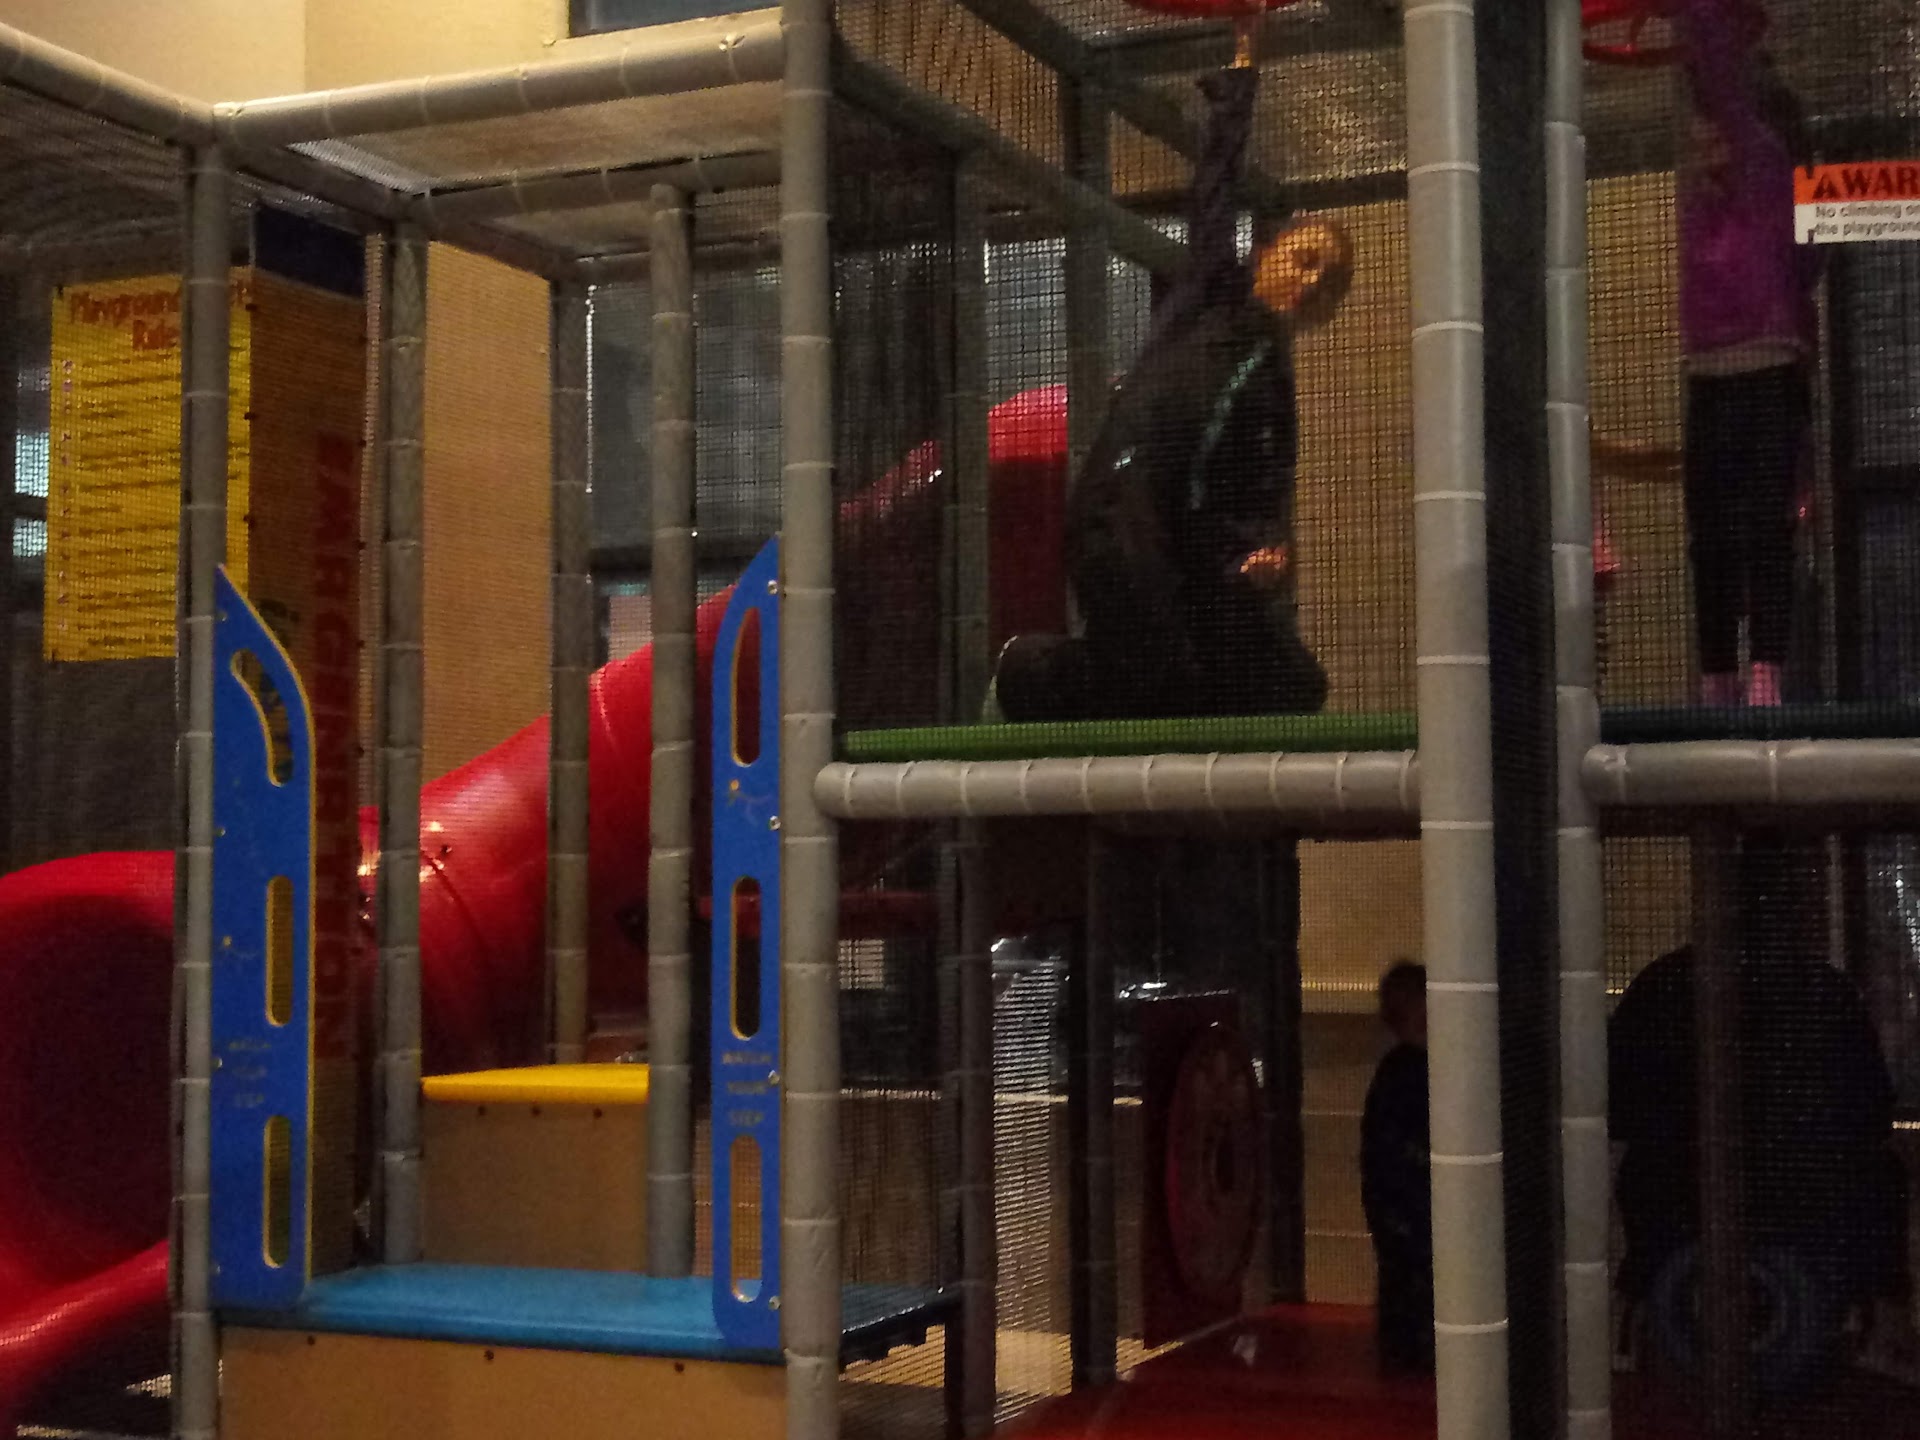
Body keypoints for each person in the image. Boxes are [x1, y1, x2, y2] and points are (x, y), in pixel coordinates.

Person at [991, 63, 1344, 723]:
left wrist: (1263, 553)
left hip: (1187, 549)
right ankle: (1024, 674)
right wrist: (1238, 90)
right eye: (1304, 260)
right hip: (1122, 512)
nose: (1309, 283)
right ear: (1267, 255)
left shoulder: (1272, 390)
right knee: (1162, 678)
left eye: (1327, 284)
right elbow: (1214, 196)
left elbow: (1258, 489)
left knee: (1290, 686)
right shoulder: (1212, 295)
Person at [1668, 0, 1819, 706]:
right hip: (1710, 375)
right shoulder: (1697, 200)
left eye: (1713, 131)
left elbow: (1722, 78)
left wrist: (1695, 15)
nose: (1703, 143)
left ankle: (1765, 673)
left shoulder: (1763, 172)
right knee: (1710, 532)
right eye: (1698, 134)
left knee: (1763, 524)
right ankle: (1716, 677)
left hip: (1766, 367)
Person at [1361, 960, 1433, 1375]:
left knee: (1405, 1283)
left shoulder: (1403, 1070)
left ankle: (1405, 1359)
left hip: (1402, 1203)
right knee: (1407, 1283)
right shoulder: (1406, 1072)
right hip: (1405, 1203)